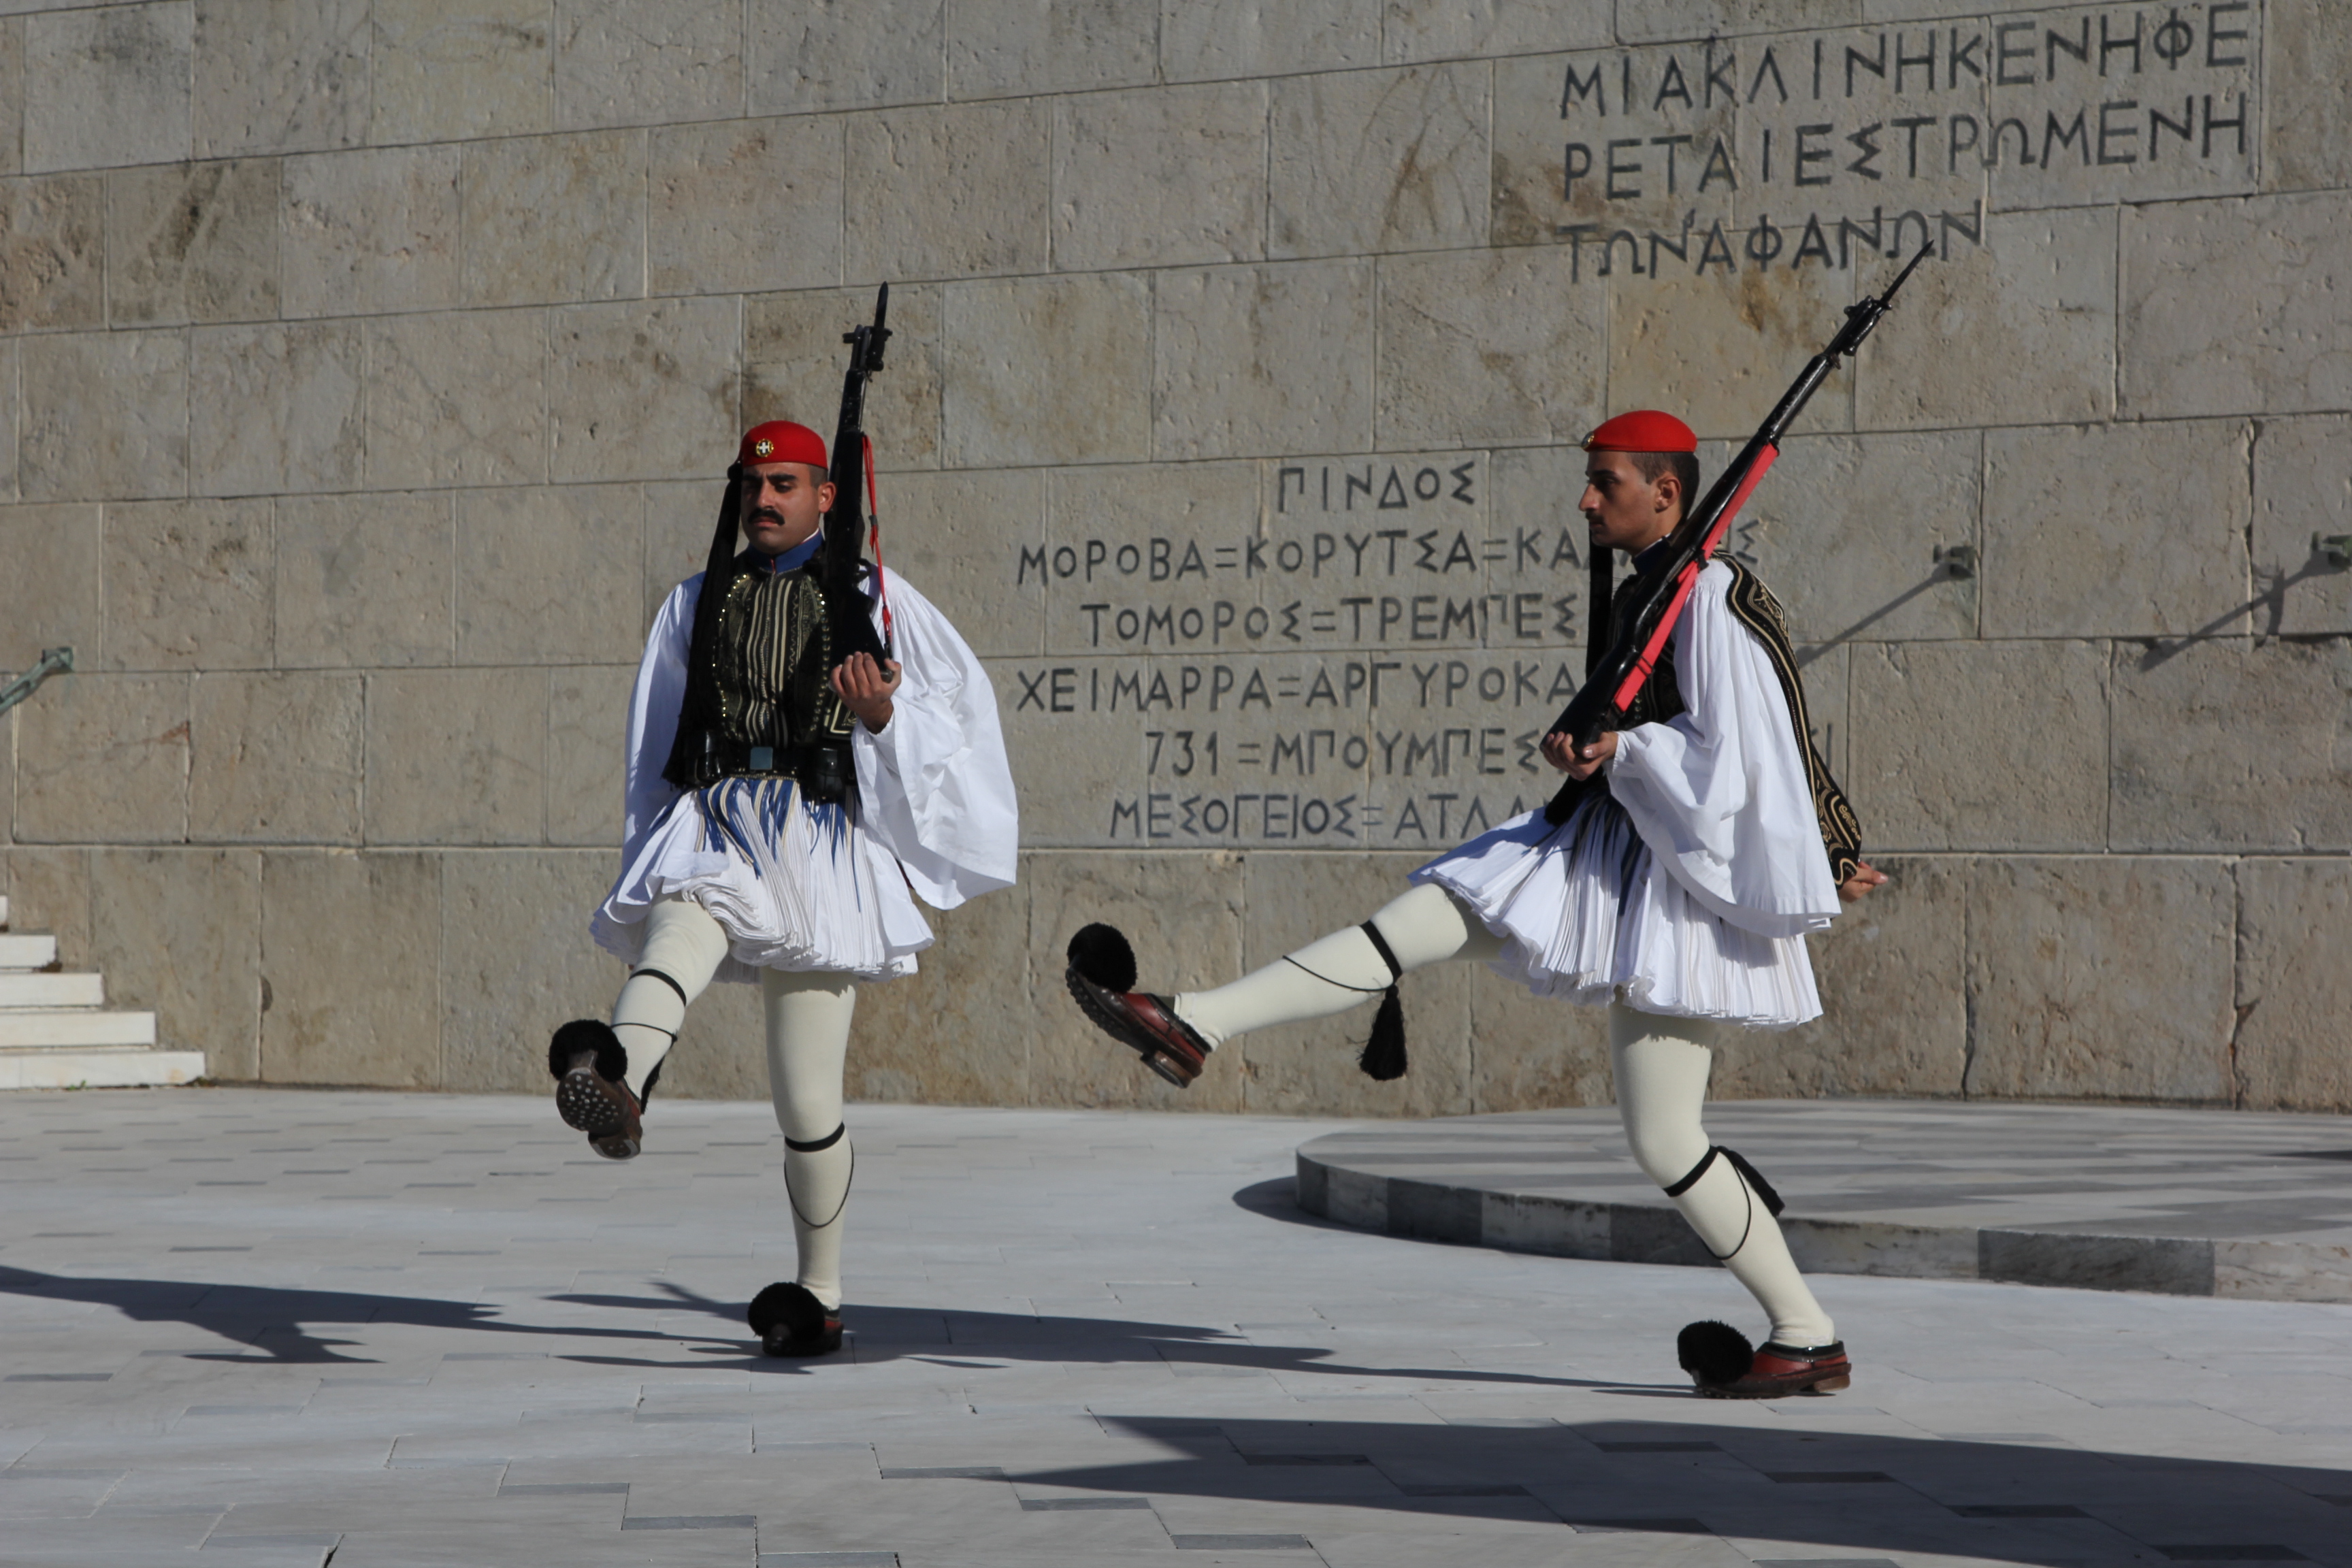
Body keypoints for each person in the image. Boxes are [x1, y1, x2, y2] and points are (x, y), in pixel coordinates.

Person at [1068, 410, 1886, 1399]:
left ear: (1668, 493)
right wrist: (1601, 743)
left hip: (1674, 885)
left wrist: (1800, 826)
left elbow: (1761, 737)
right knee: (1422, 914)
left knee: (1666, 1137)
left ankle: (1806, 1332)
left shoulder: (1714, 596)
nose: (1587, 499)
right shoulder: (1652, 590)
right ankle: (1192, 1021)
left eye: (1609, 483)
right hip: (1599, 845)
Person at [551, 419, 1017, 1358]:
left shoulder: (879, 600)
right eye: (755, 487)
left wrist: (883, 715)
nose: (766, 502)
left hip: (819, 838)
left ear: (824, 498)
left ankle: (820, 1294)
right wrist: (649, 840)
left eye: (789, 487)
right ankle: (621, 1083)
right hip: (719, 815)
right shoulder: (697, 601)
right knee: (680, 925)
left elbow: (952, 725)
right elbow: (656, 735)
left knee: (806, 1098)